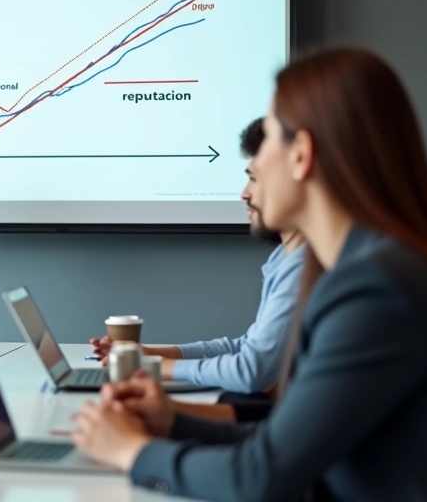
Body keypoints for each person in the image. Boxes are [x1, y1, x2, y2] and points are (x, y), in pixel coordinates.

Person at [71, 47, 427, 501]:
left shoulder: (378, 289)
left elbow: (259, 479)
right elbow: (287, 448)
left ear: (302, 154)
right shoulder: (378, 268)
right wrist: (173, 423)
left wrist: (131, 452)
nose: (255, 165)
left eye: (267, 141)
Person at [91, 118, 305, 402]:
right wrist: (154, 354)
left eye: (254, 178)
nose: (244, 193)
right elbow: (244, 347)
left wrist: (153, 367)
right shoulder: (284, 256)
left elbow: (251, 370)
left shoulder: (304, 266)